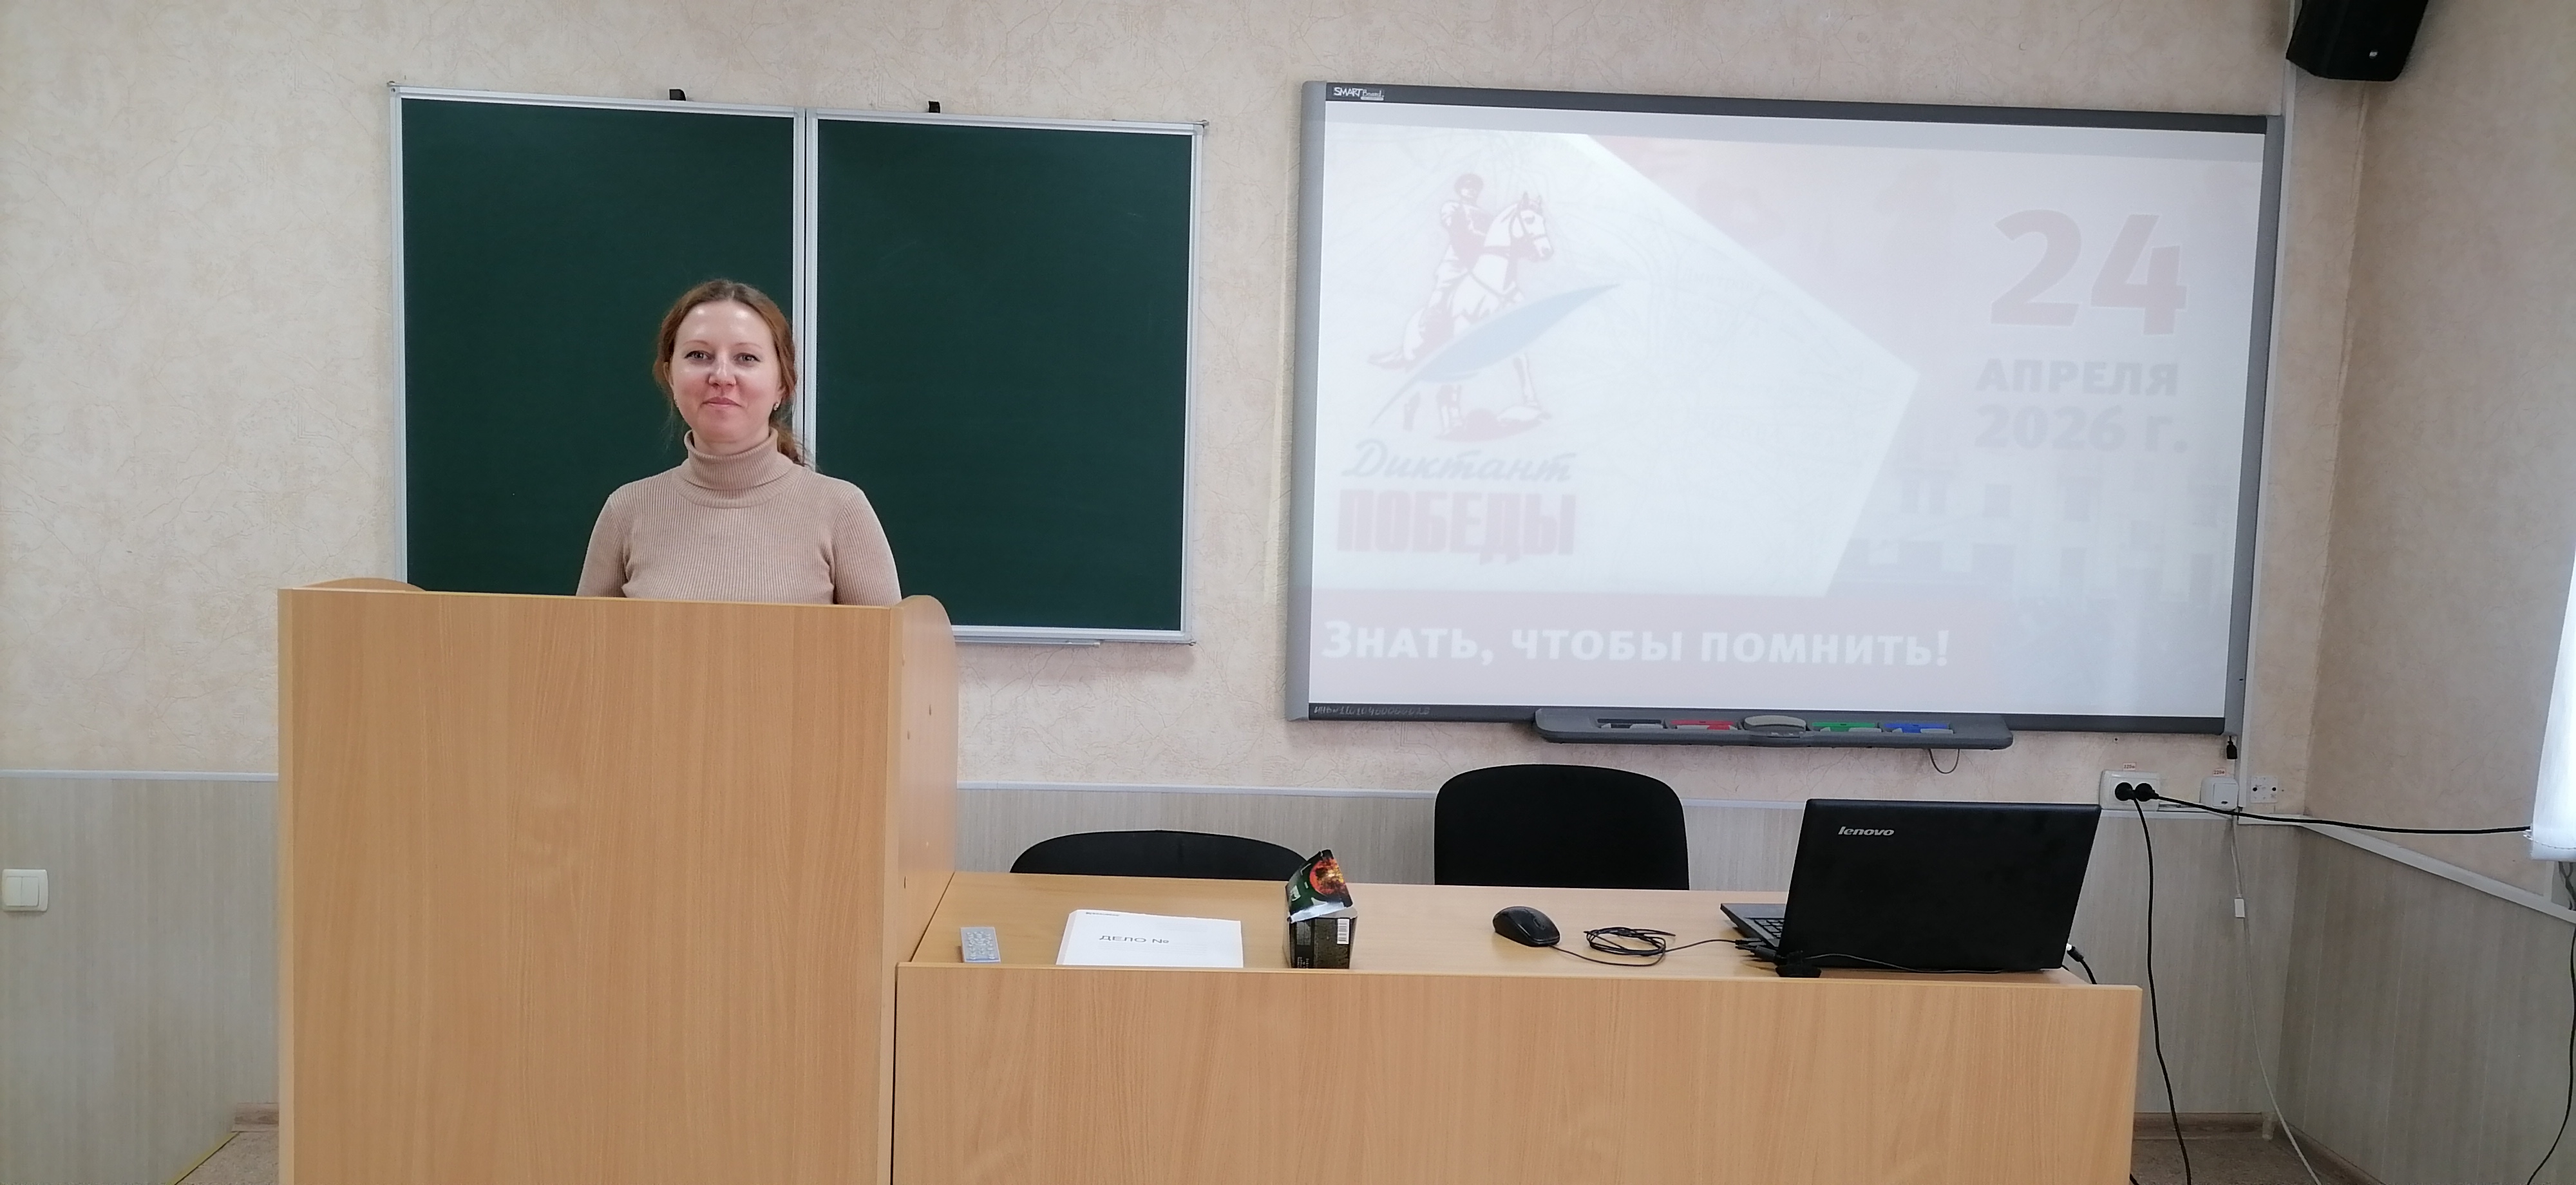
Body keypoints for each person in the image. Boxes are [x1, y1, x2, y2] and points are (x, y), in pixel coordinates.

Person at [577, 280, 900, 605]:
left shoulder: (841, 510)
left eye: (746, 358)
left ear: (782, 384)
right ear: (671, 376)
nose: (721, 376)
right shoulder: (626, 511)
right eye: (699, 355)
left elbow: (886, 639)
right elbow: (585, 637)